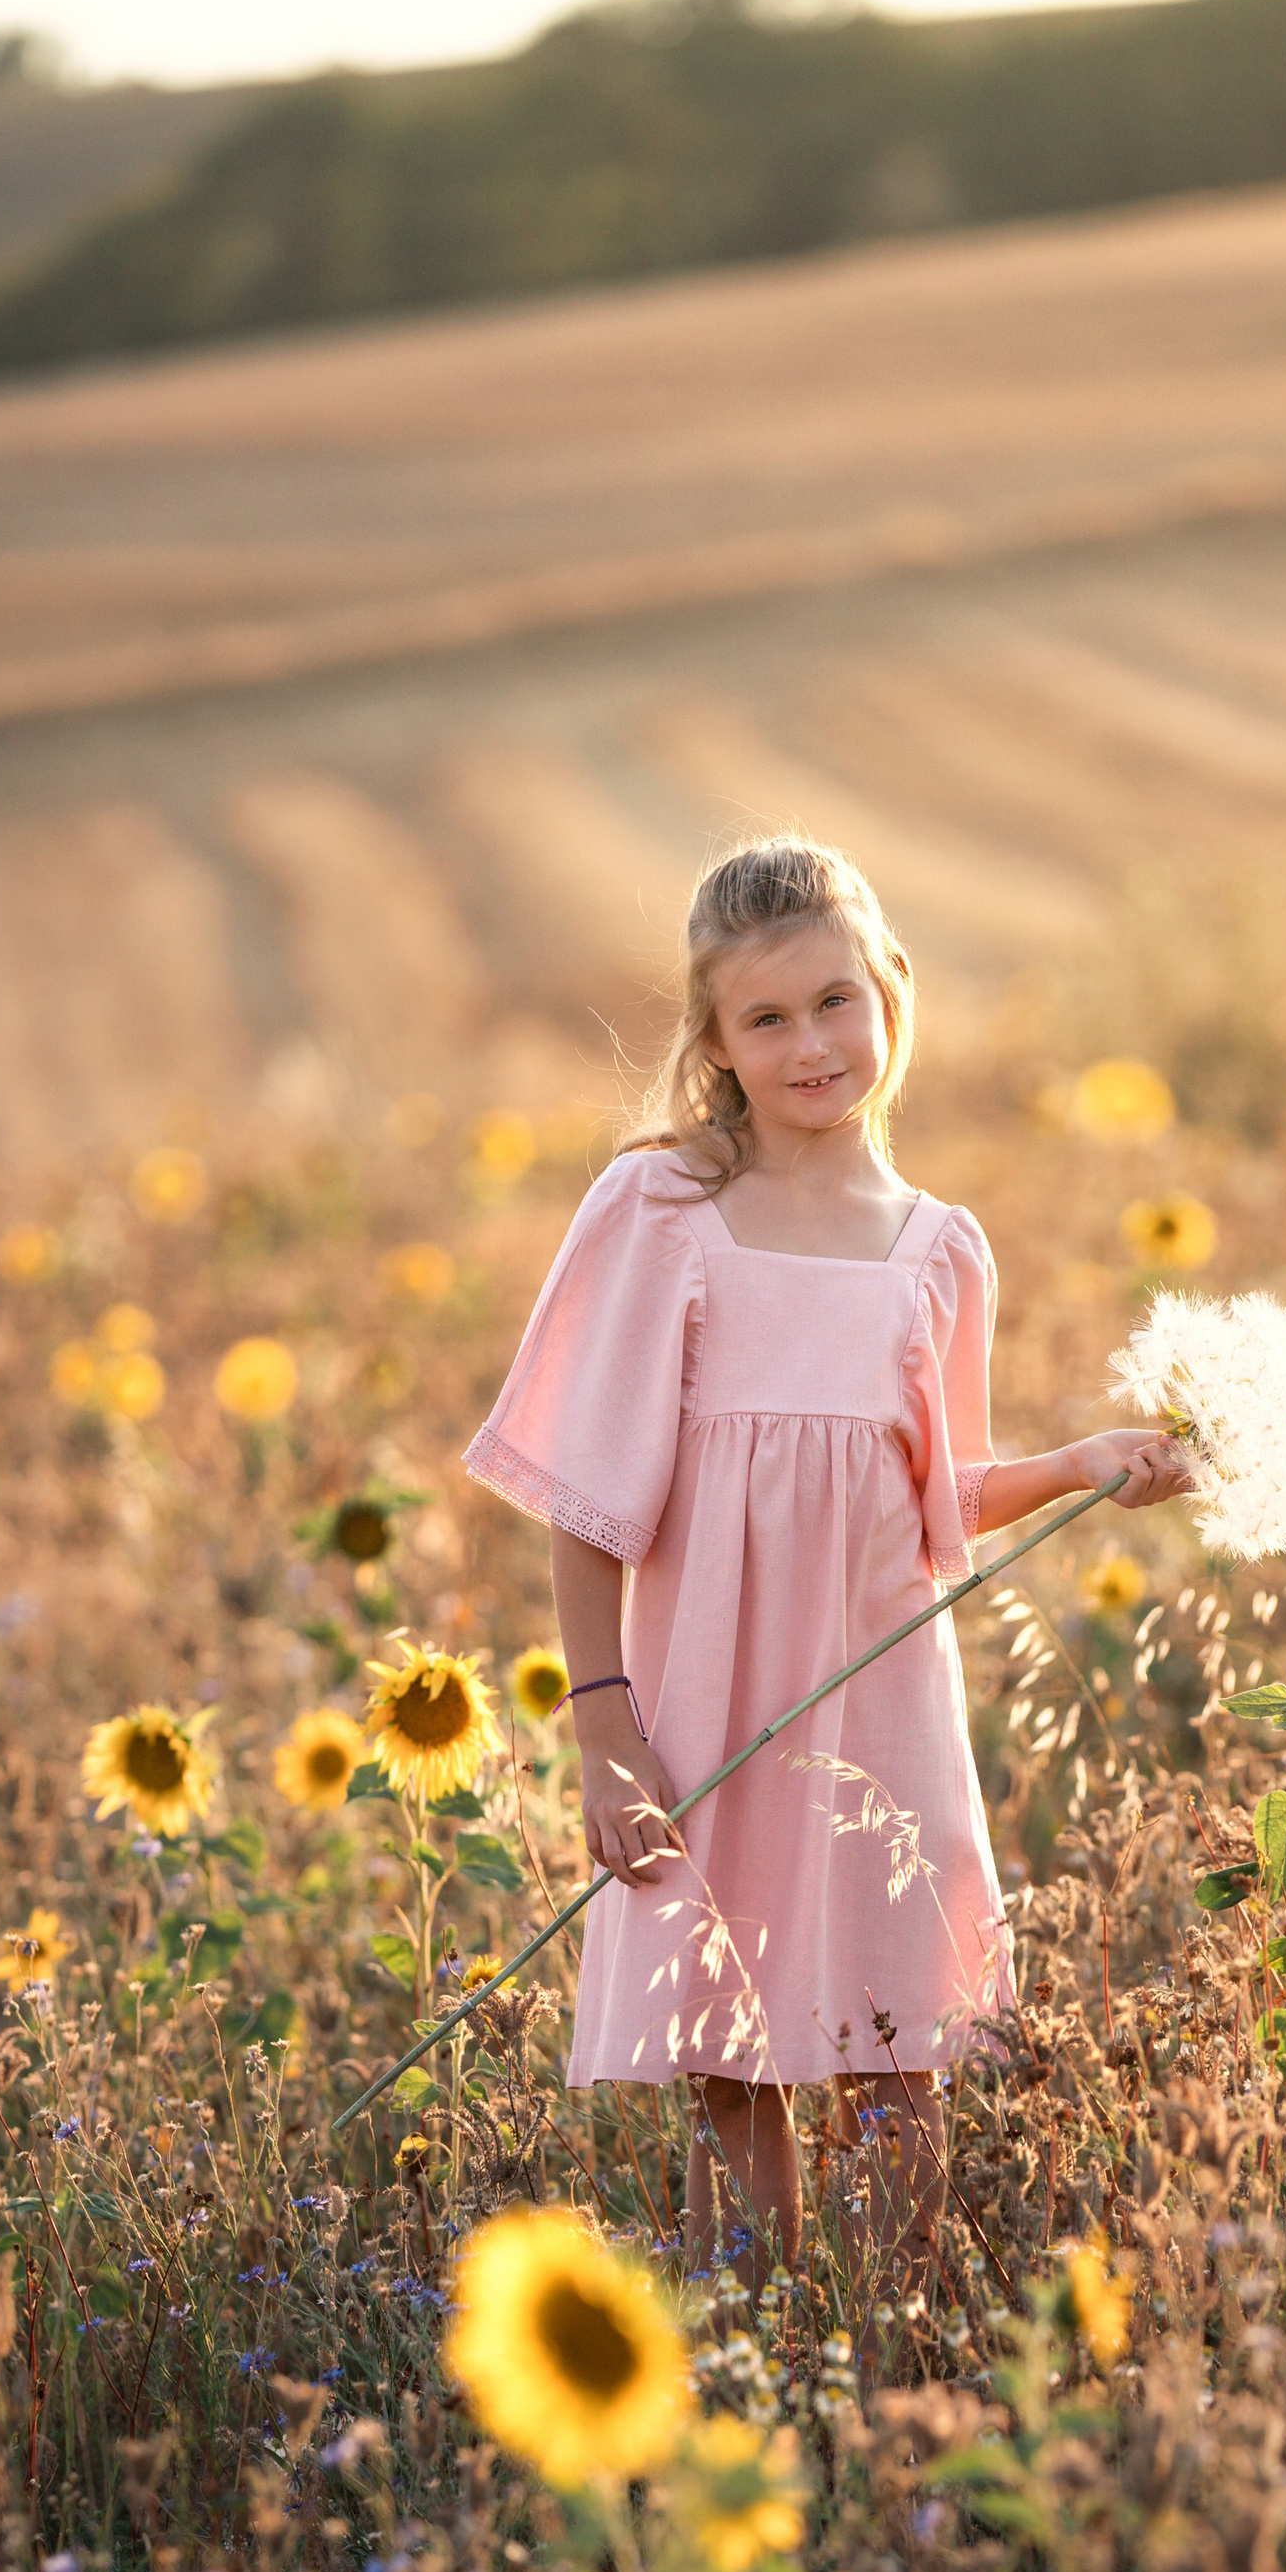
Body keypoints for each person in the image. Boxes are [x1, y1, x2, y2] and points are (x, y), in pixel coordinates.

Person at [464, 834, 1184, 2287]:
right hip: (708, 1699)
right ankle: (766, 2329)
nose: (813, 1044)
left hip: (878, 1698)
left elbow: (936, 1495)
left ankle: (889, 2343)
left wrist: (1084, 1466)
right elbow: (588, 1497)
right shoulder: (662, 1211)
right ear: (717, 1045)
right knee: (729, 2051)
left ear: (894, 996)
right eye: (770, 1018)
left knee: (889, 2040)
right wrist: (604, 1728)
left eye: (837, 1002)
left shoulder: (941, 1253)